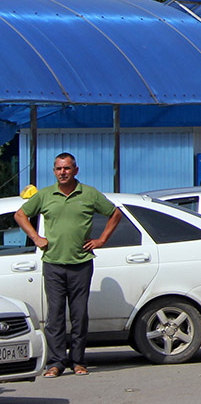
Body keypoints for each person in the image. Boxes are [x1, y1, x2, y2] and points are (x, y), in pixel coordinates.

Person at [13, 153, 122, 378]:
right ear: (54, 171)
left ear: (75, 170)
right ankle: (56, 362)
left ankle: (78, 361)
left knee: (79, 314)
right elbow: (20, 215)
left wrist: (101, 240)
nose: (63, 172)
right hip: (53, 264)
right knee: (55, 316)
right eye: (58, 169)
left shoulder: (89, 194)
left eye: (67, 168)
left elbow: (115, 214)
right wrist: (36, 238)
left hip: (81, 264)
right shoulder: (45, 195)